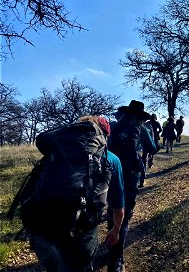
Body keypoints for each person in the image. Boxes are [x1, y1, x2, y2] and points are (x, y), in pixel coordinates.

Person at [30, 116, 125, 272]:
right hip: (81, 233)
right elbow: (118, 207)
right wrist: (115, 229)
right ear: (105, 136)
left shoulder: (54, 153)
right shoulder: (111, 159)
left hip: (44, 229)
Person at [107, 100, 158, 272]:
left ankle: (111, 243)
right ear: (141, 116)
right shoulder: (142, 129)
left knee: (112, 209)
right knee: (124, 214)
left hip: (110, 172)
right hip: (130, 176)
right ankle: (116, 260)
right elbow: (153, 148)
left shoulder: (114, 126)